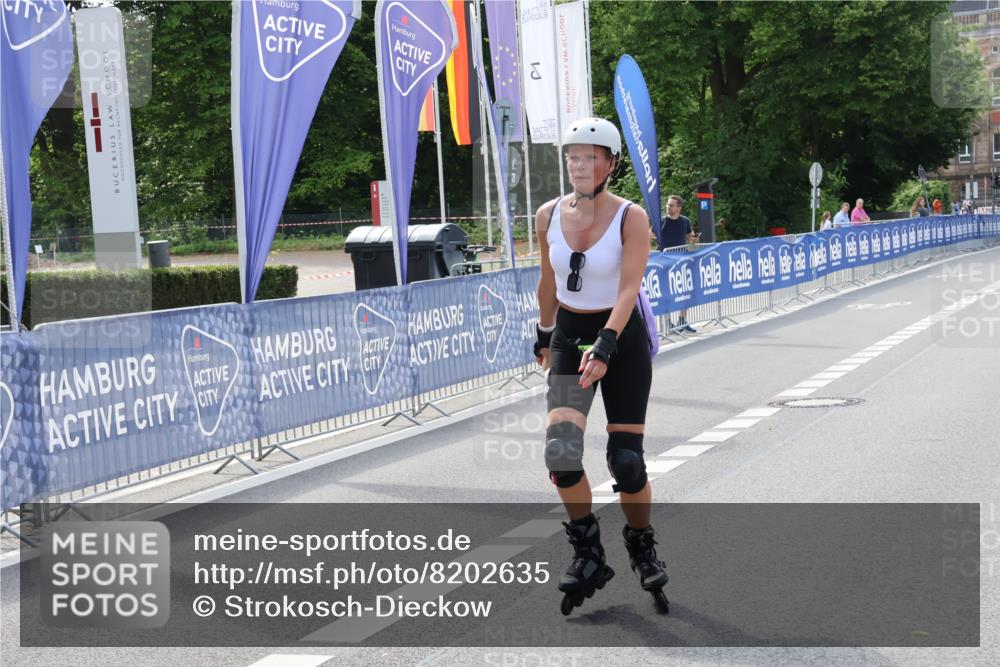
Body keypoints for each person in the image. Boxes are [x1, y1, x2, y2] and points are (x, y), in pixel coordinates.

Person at [533, 117, 669, 615]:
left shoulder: (631, 217)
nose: (580, 164)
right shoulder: (547, 214)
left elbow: (629, 287)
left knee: (627, 462)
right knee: (561, 453)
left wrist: (607, 345)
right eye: (573, 156)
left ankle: (641, 544)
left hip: (622, 338)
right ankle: (588, 554)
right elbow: (548, 282)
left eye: (591, 156)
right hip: (571, 337)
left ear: (610, 164)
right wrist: (545, 335)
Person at [660, 194, 698, 333]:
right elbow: (649, 236)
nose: (667, 207)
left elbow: (691, 239)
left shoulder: (685, 221)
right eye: (667, 204)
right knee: (667, 293)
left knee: (685, 290)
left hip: (681, 261)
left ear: (678, 208)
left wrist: (694, 239)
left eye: (671, 205)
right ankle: (668, 323)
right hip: (665, 262)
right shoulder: (661, 221)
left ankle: (682, 320)